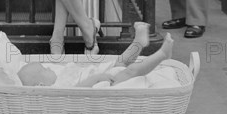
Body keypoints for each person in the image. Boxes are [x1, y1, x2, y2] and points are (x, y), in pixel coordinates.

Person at [17, 22, 175, 87]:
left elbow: (79, 70)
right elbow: (81, 87)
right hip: (101, 83)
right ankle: (162, 54)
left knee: (121, 62)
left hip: (99, 71)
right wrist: (99, 78)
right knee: (130, 70)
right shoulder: (58, 88)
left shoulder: (58, 75)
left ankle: (139, 43)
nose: (49, 68)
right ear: (40, 85)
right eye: (44, 70)